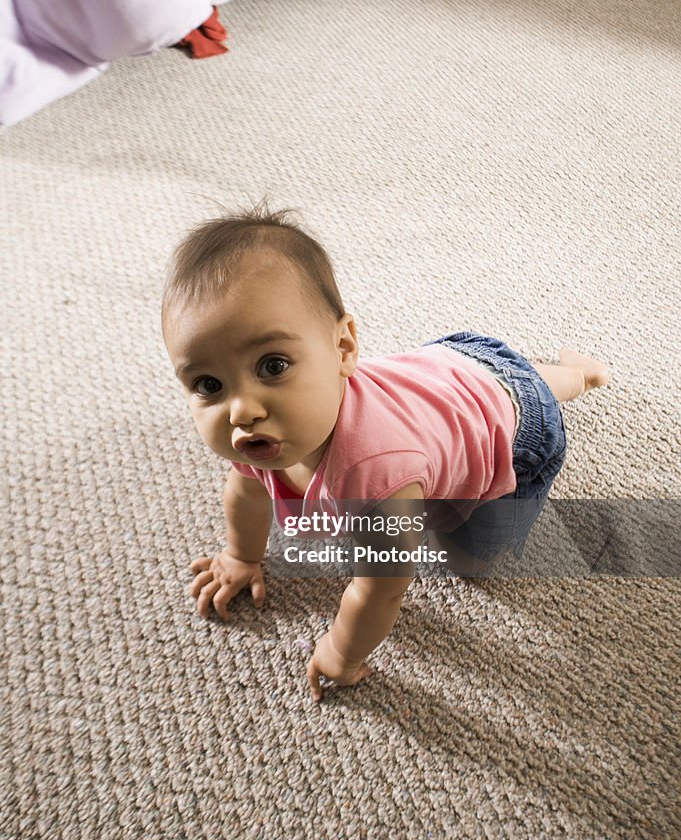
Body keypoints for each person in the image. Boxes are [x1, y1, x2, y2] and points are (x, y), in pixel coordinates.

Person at [162, 206, 608, 701]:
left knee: (467, 559)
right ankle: (544, 373)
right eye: (209, 384)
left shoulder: (376, 480)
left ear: (344, 346)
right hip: (449, 369)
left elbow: (381, 586)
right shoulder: (258, 433)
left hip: (518, 433)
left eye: (273, 365)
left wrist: (342, 650)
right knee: (506, 383)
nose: (242, 409)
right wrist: (240, 556)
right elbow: (246, 492)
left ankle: (575, 375)